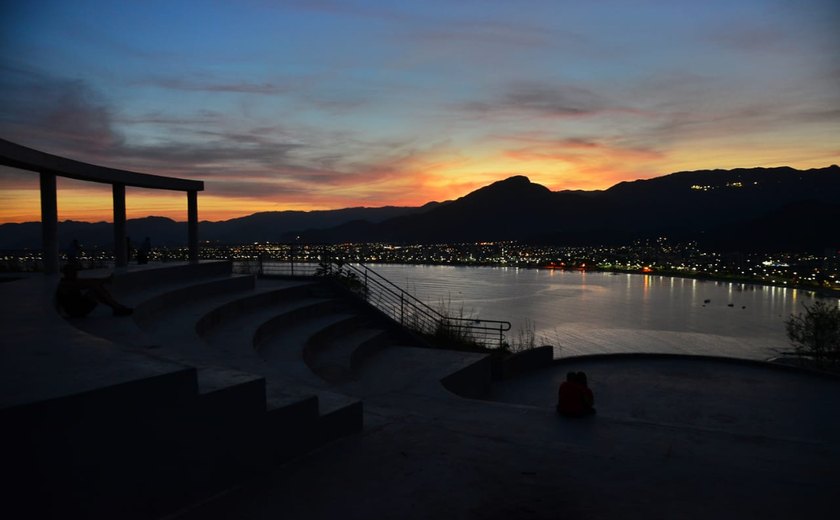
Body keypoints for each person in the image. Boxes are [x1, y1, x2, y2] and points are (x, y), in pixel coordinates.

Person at [56, 264, 133, 317]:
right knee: (96, 288)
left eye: (75, 272)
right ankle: (117, 307)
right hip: (75, 311)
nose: (75, 273)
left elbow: (88, 281)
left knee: (96, 288)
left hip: (79, 306)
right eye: (73, 272)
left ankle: (116, 307)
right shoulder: (65, 284)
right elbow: (87, 284)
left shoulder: (71, 281)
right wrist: (105, 280)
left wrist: (104, 280)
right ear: (66, 273)